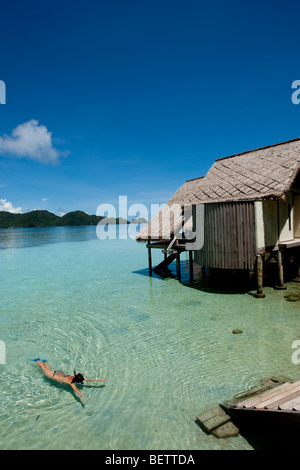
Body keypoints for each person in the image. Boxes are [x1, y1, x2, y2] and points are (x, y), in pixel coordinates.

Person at [29, 358, 105, 402]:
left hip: (58, 372)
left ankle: (44, 360)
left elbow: (88, 379)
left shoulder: (74, 377)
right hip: (54, 376)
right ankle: (37, 360)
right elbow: (76, 390)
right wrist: (82, 396)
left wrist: (99, 380)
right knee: (43, 369)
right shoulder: (71, 382)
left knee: (48, 369)